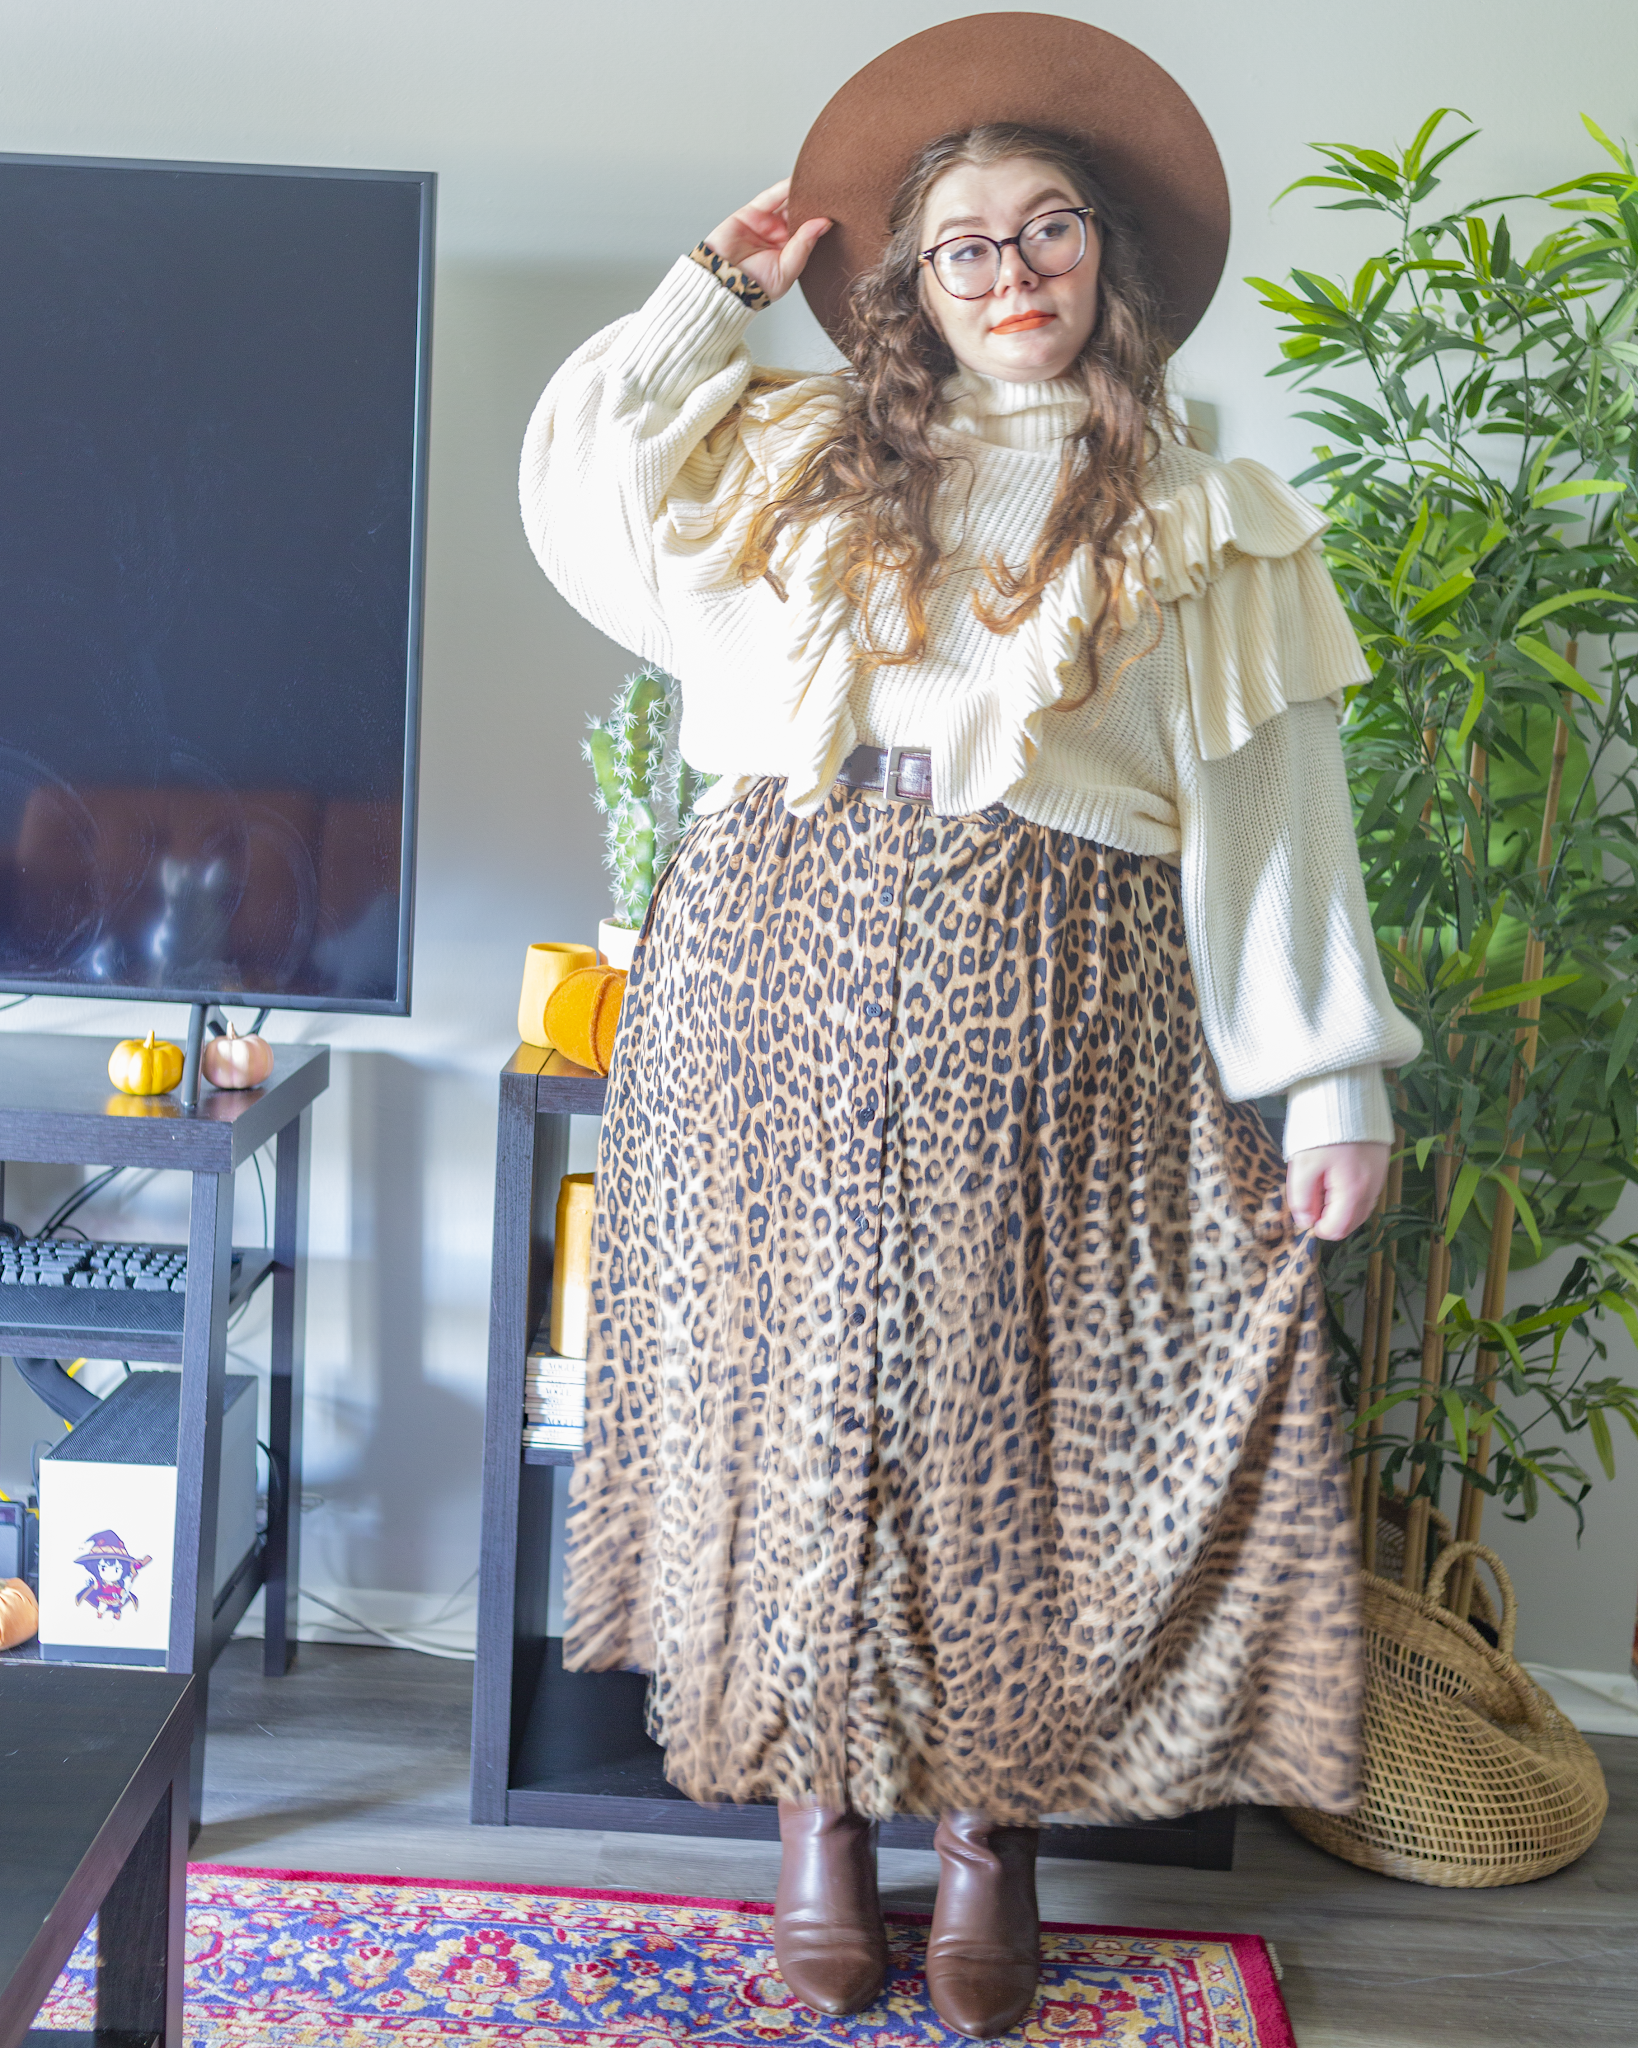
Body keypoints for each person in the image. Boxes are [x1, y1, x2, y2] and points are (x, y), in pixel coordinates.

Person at [521, 17, 1420, 2038]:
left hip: (1064, 1004)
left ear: (1113, 262)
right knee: (794, 1407)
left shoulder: (1208, 511)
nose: (1009, 273)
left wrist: (1330, 1073)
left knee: (1009, 1432)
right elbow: (572, 483)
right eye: (961, 249)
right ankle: (822, 1823)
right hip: (767, 980)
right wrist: (713, 290)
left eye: (1048, 232)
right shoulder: (775, 464)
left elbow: (1279, 817)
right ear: (904, 288)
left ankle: (990, 1838)